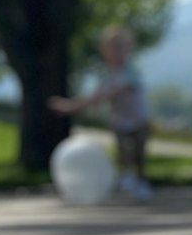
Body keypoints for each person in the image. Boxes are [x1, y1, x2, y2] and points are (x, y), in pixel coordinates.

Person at [48, 25, 152, 202]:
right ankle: (127, 178)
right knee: (124, 152)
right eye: (113, 48)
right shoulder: (109, 76)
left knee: (139, 155)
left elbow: (103, 96)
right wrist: (73, 106)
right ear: (106, 51)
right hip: (120, 121)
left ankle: (139, 183)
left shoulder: (130, 73)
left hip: (139, 120)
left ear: (129, 49)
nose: (117, 52)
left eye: (121, 47)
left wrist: (70, 106)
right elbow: (96, 98)